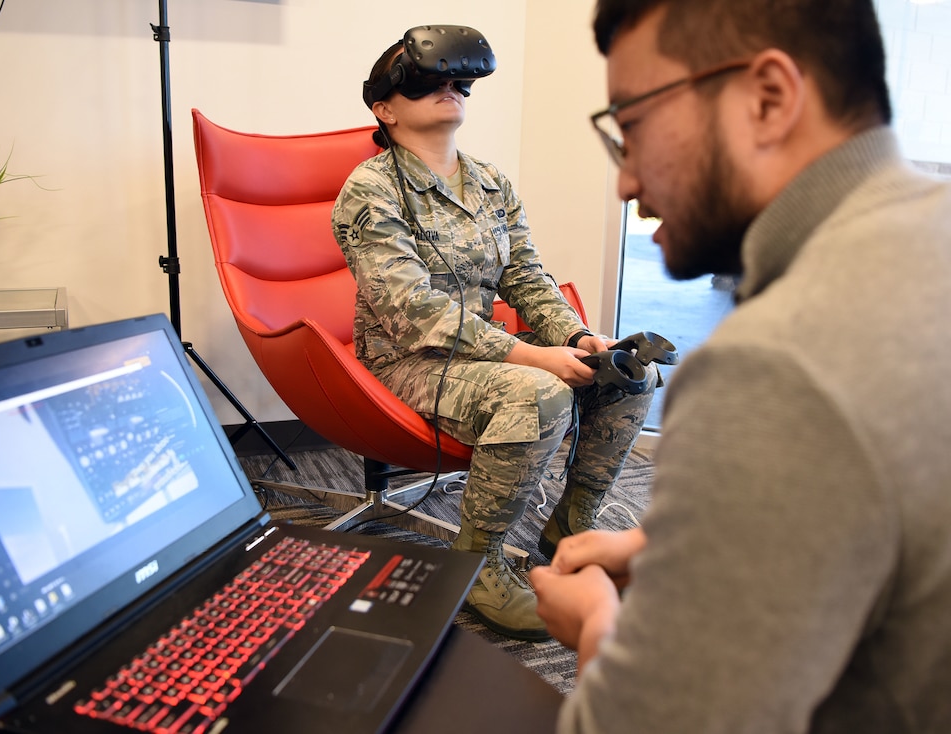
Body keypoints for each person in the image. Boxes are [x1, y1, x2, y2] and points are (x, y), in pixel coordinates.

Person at [530, 0, 951, 731]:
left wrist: (600, 628)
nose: (626, 182)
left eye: (633, 127)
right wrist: (696, 547)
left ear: (769, 100)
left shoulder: (774, 366)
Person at [331, 35, 657, 640]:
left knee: (631, 375)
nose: (449, 91)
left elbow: (527, 277)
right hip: (406, 361)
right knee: (539, 394)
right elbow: (413, 312)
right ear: (386, 109)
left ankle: (573, 526)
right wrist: (535, 356)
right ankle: (478, 563)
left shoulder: (492, 185)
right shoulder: (370, 189)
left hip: (481, 355)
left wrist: (580, 338)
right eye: (427, 84)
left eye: (459, 83)